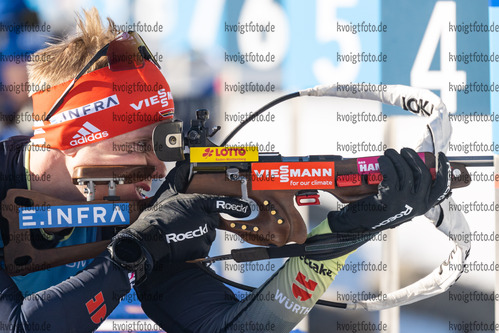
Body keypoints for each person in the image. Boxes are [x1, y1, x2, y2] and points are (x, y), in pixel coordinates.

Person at [0, 8, 452, 333]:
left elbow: (233, 328)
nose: (158, 168)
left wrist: (343, 234)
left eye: (163, 142)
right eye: (138, 145)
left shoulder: (149, 203)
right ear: (72, 136)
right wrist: (132, 258)